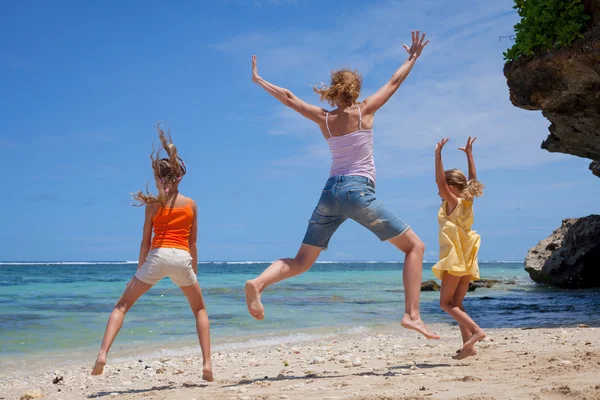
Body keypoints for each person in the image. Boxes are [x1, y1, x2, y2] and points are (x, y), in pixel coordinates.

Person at [245, 31, 440, 340]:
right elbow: (394, 82)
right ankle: (412, 315)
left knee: (301, 261)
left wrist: (260, 80)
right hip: (357, 191)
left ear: (334, 91)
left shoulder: (324, 119)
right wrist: (412, 57)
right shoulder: (365, 111)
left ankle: (258, 283)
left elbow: (290, 97)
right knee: (415, 247)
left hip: (330, 192)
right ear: (355, 90)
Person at [91, 125, 213, 381]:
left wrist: (138, 271)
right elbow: (193, 243)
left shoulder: (151, 206)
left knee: (122, 306)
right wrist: (195, 272)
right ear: (180, 177)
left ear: (158, 179)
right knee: (200, 310)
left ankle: (103, 354)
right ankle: (207, 364)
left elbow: (145, 244)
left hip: (156, 257)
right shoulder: (191, 204)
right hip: (182, 259)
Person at [432, 136, 485, 360]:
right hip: (467, 257)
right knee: (457, 304)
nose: (439, 192)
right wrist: (469, 155)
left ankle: (477, 332)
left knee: (445, 303)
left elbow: (439, 183)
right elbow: (472, 180)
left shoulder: (453, 203)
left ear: (451, 188)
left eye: (444, 188)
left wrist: (438, 155)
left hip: (455, 258)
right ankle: (468, 347)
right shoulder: (467, 200)